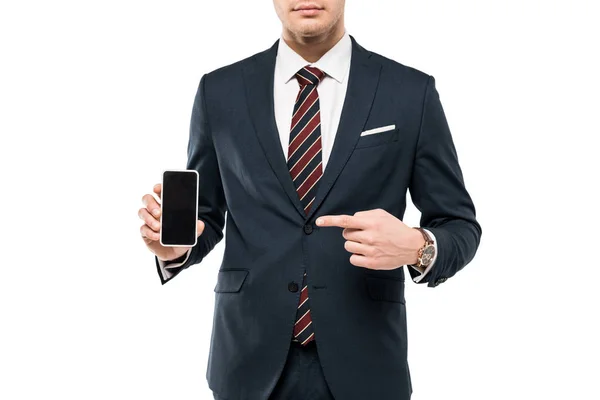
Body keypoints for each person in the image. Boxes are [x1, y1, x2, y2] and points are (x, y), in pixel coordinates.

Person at [138, 1, 482, 398]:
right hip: (248, 363)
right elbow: (206, 216)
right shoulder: (219, 90)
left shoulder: (409, 92)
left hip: (366, 365)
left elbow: (460, 225)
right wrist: (174, 248)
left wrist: (418, 246)